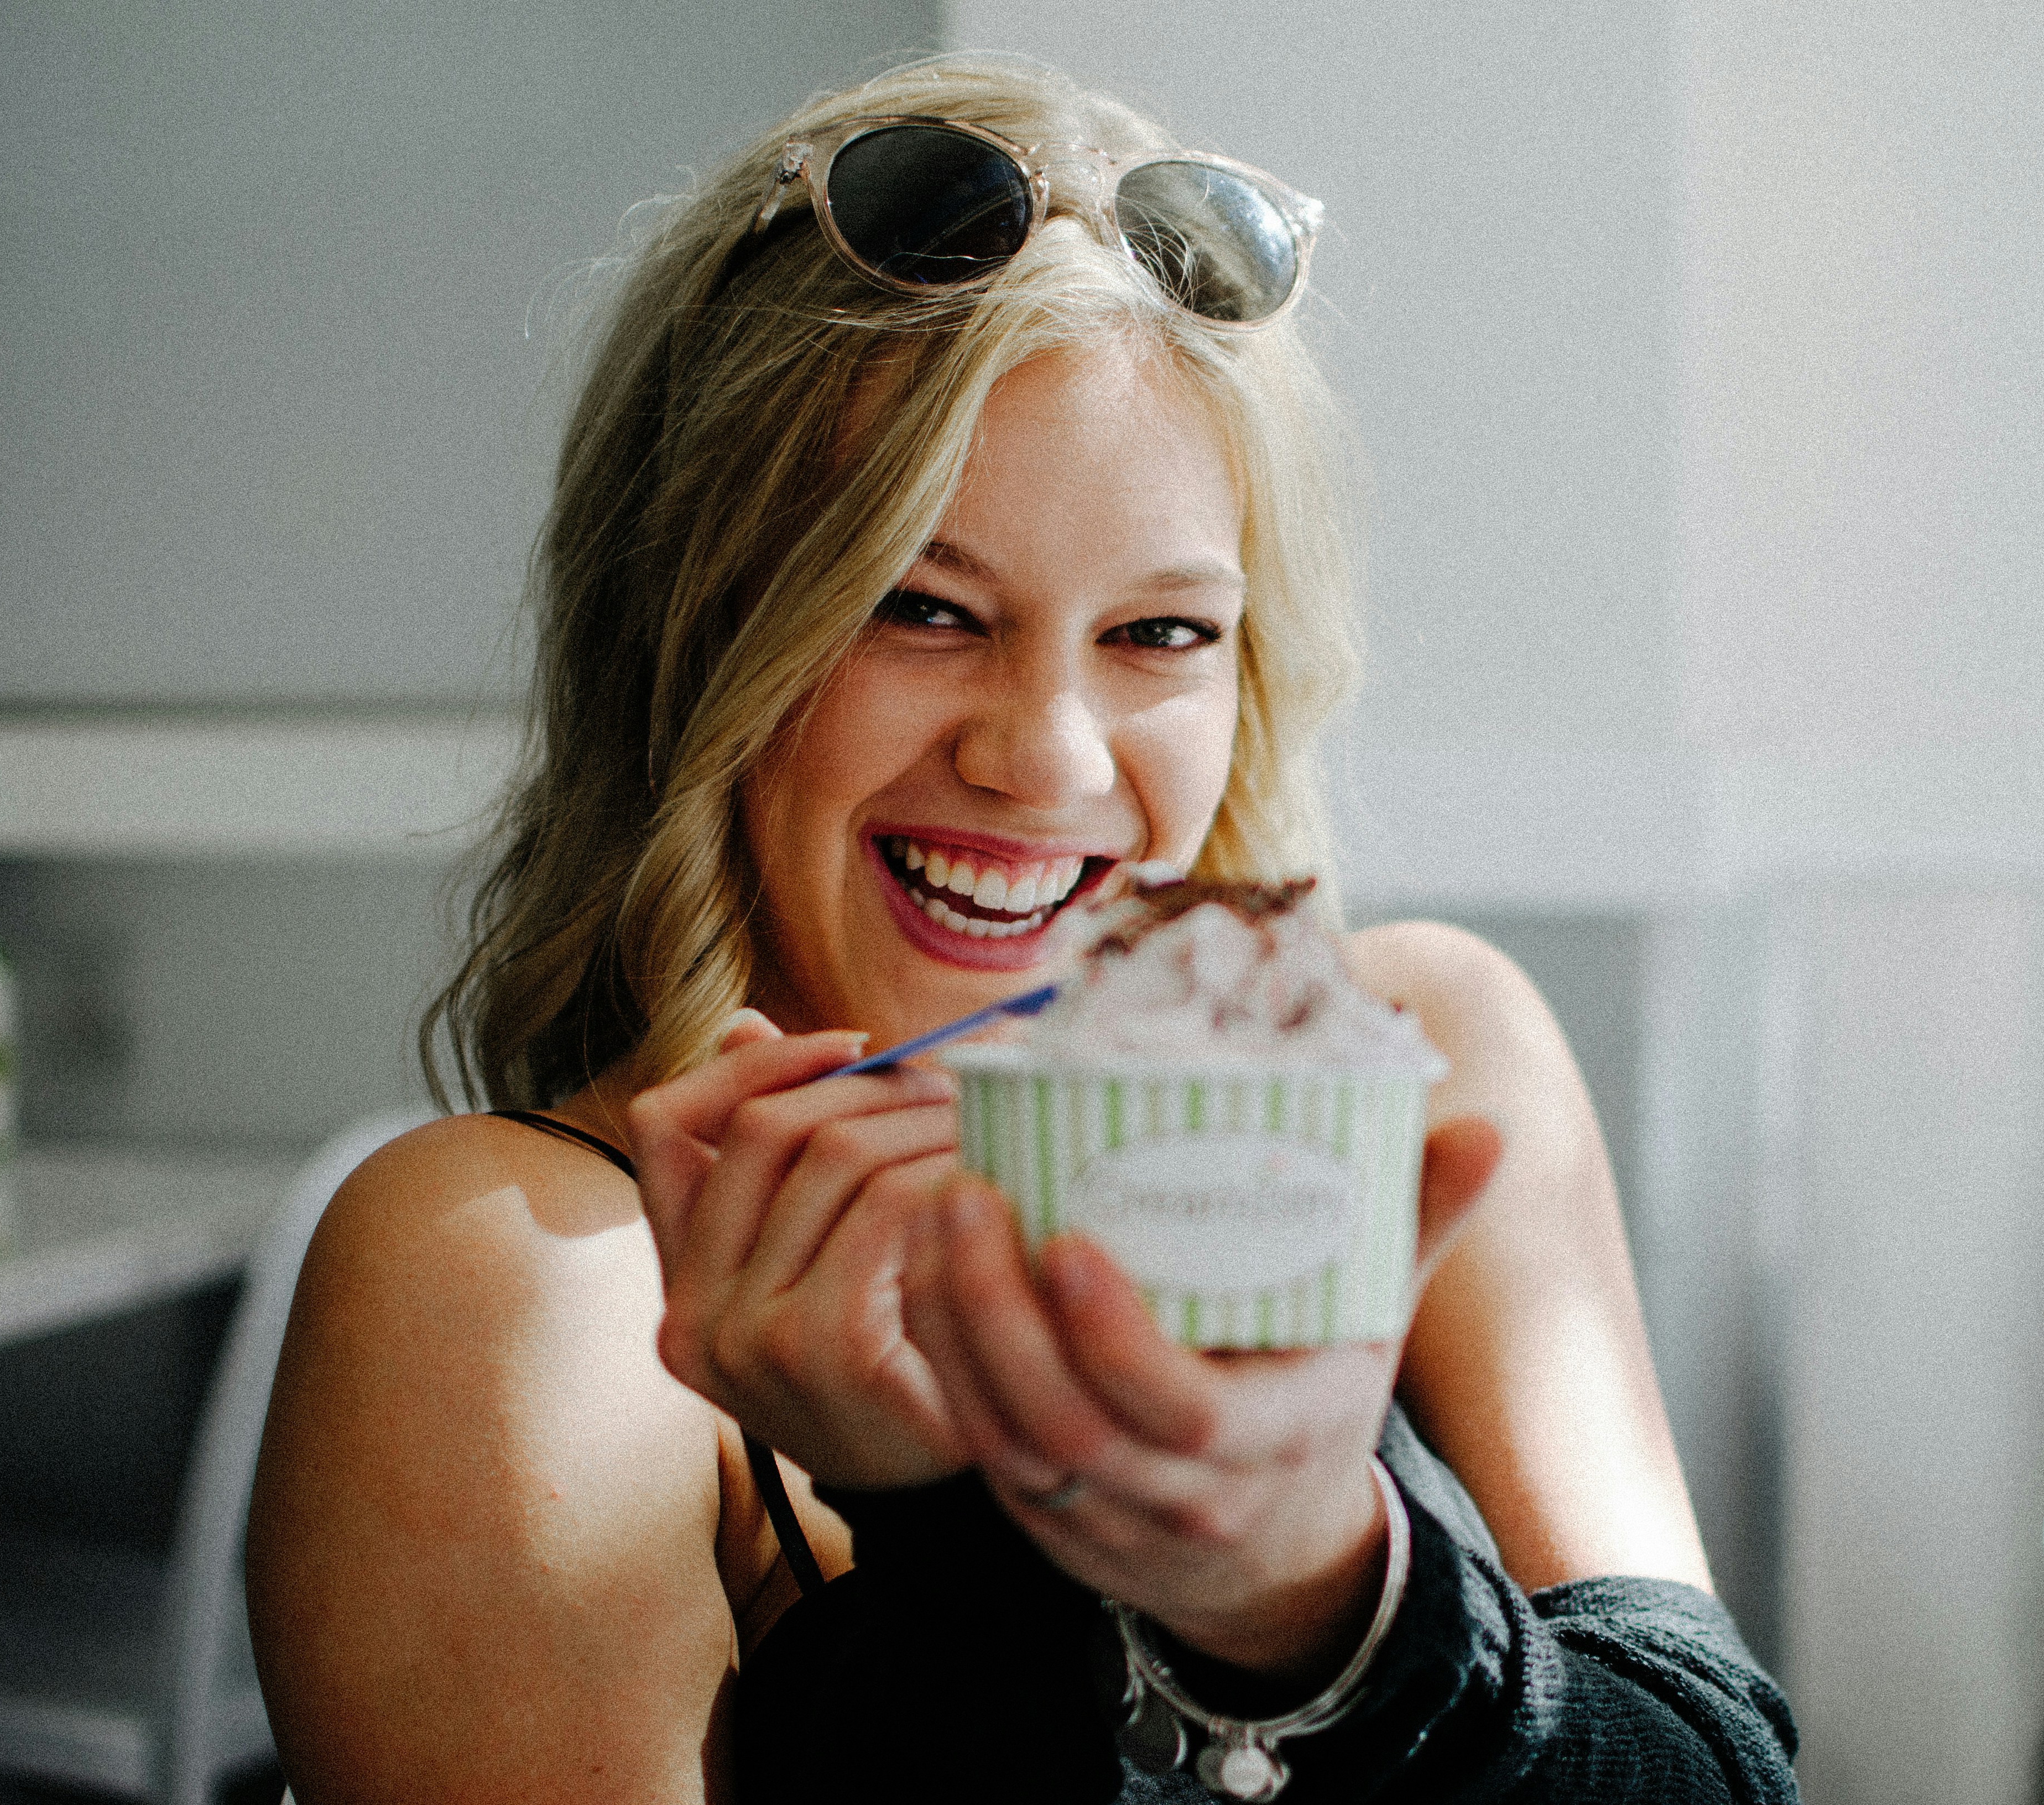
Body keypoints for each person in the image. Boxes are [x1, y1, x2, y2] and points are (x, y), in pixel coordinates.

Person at [247, 53, 1796, 1804]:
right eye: (922, 607)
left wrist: (1317, 1591)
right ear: (692, 640)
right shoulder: (524, 1278)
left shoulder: (1426, 1065)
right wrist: (960, 1533)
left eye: (1160, 635)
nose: (1048, 758)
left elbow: (1719, 1780)